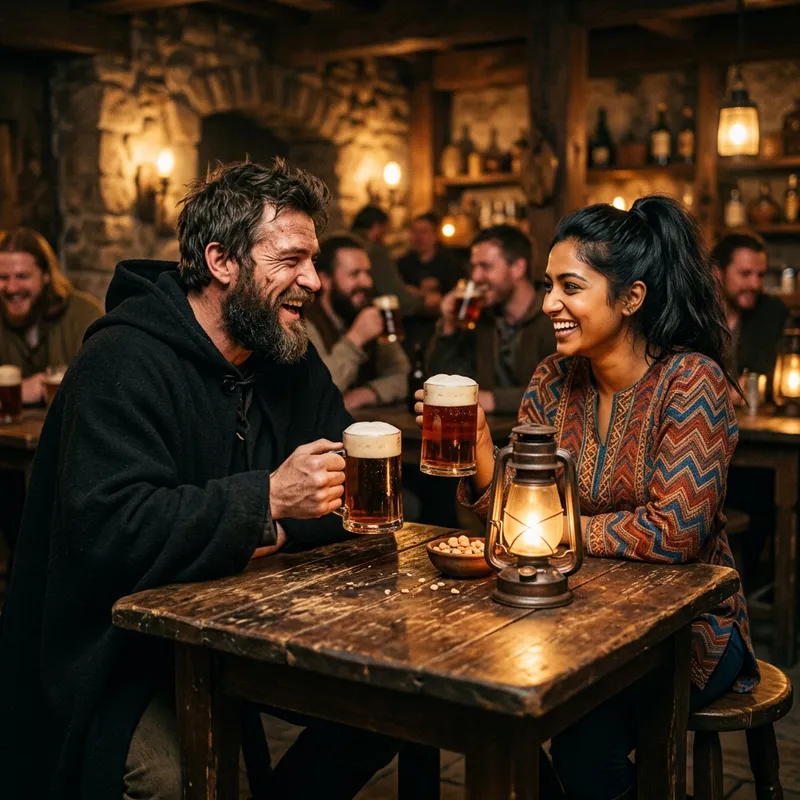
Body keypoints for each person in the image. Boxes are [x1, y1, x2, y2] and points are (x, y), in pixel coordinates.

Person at [0, 160, 399, 800]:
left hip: (255, 625)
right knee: (171, 780)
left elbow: (340, 492)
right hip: (121, 651)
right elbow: (110, 531)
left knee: (393, 704)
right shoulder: (122, 361)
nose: (314, 281)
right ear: (221, 261)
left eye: (315, 261)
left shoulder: (288, 357)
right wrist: (267, 500)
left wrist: (268, 520)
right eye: (292, 259)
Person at [416, 195, 759, 799]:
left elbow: (673, 533)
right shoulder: (554, 377)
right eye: (549, 285)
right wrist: (480, 448)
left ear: (630, 298)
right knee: (485, 711)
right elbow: (511, 515)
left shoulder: (692, 382)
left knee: (584, 743)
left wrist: (548, 535)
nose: (550, 303)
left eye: (569, 286)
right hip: (570, 617)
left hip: (686, 634)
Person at [427, 224, 556, 415]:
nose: (475, 277)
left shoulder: (552, 317)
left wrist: (494, 400)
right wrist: (448, 326)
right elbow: (443, 381)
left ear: (518, 268)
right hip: (488, 435)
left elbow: (562, 392)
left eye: (485, 266)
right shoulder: (481, 316)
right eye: (473, 267)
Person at [305, 234, 410, 411]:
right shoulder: (306, 324)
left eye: (367, 273)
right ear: (325, 279)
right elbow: (315, 391)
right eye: (355, 274)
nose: (367, 282)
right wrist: (355, 339)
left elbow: (404, 375)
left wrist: (367, 393)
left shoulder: (367, 313)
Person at [0, 227, 103, 404]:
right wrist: (21, 391)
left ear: (46, 275)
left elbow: (105, 380)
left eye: (22, 276)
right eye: (2, 277)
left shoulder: (84, 314)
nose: (11, 288)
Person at [711, 230, 788, 382]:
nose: (755, 284)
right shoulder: (693, 314)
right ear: (717, 273)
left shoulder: (773, 312)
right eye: (745, 274)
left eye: (760, 275)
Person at [351, 204, 436, 318]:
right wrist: (424, 302)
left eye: (423, 232)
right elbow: (395, 297)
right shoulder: (375, 252)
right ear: (377, 227)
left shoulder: (346, 246)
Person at [397, 212, 464, 354]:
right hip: (411, 328)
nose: (418, 237)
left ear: (435, 235)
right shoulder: (402, 263)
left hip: (442, 325)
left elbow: (460, 292)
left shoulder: (450, 262)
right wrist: (421, 295)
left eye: (423, 232)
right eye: (414, 232)